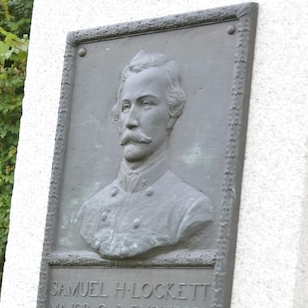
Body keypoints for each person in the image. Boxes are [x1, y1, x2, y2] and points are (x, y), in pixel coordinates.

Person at [77, 50, 213, 259]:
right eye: (125, 107)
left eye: (146, 104)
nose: (131, 121)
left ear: (172, 113)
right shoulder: (90, 210)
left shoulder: (191, 209)